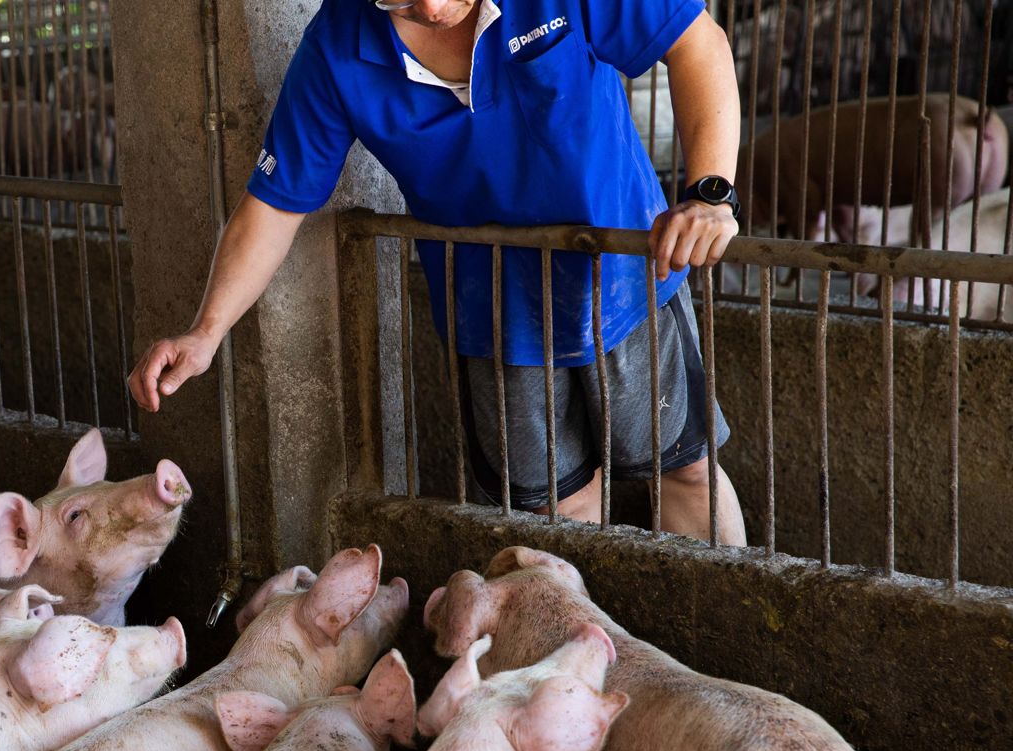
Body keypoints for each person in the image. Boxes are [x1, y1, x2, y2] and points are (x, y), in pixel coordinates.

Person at [127, 0, 748, 545]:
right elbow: (276, 201)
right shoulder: (337, 48)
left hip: (625, 277)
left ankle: (725, 653)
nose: (428, 6)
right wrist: (206, 332)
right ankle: (588, 665)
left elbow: (696, 42)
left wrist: (710, 192)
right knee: (555, 508)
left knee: (685, 468)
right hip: (497, 312)